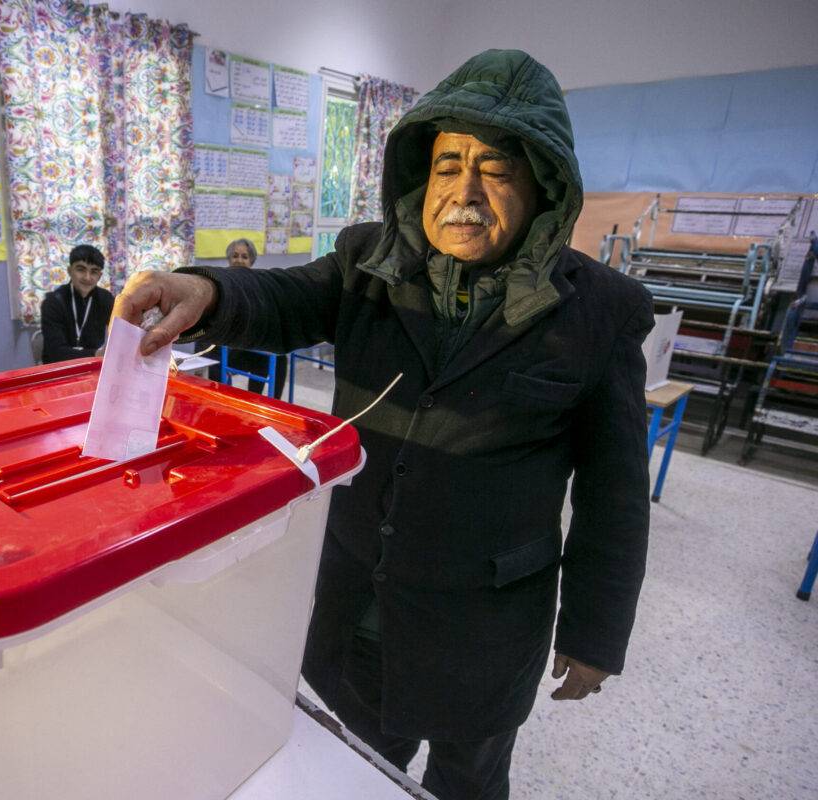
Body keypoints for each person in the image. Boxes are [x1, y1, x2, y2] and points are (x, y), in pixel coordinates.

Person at [114, 50, 654, 800]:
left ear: (545, 187)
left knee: (470, 780)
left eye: (495, 170)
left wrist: (596, 634)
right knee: (357, 768)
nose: (464, 192)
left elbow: (616, 495)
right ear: (418, 176)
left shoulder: (600, 312)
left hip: (486, 630)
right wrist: (205, 289)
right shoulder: (366, 261)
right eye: (446, 166)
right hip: (359, 598)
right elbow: (283, 299)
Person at [206, 238, 289, 398]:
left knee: (279, 356)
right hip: (221, 346)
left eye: (244, 257)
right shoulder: (219, 281)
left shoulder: (259, 283)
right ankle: (224, 400)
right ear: (229, 259)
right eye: (235, 256)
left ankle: (268, 402)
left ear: (251, 261)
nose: (239, 260)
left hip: (244, 345)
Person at [40, 244, 114, 363]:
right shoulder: (52, 302)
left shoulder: (106, 299)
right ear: (70, 271)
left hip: (92, 366)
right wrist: (96, 354)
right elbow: (55, 353)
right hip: (59, 370)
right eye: (81, 269)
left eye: (94, 272)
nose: (87, 277)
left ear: (100, 276)